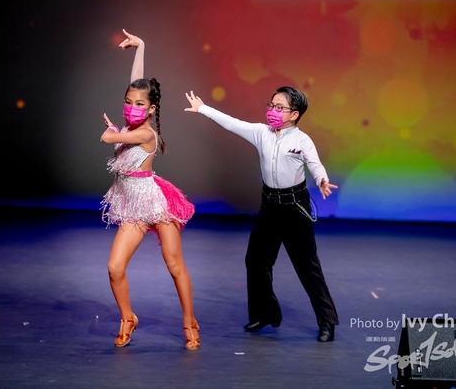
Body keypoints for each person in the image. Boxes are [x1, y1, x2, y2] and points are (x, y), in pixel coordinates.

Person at [184, 87, 339, 342]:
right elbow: (232, 123)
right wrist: (203, 109)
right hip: (269, 205)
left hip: (294, 206)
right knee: (256, 261)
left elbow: (315, 164)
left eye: (280, 108)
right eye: (271, 105)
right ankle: (265, 313)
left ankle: (327, 321)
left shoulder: (302, 140)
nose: (272, 111)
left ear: (294, 114)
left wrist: (321, 179)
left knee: (307, 266)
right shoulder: (261, 132)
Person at [100, 30, 200, 350]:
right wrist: (141, 46)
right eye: (128, 102)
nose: (132, 107)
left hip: (156, 204)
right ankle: (127, 317)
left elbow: (111, 138)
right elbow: (137, 82)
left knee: (174, 265)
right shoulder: (132, 121)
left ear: (152, 109)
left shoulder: (145, 134)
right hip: (133, 208)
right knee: (115, 267)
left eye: (139, 104)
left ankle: (189, 322)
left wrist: (111, 133)